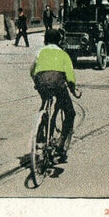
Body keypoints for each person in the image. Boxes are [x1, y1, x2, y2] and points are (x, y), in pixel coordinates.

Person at [30, 28, 81, 162]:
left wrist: (37, 83)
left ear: (45, 40)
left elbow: (32, 71)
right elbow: (70, 77)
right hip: (58, 83)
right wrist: (74, 90)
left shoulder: (40, 52)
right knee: (70, 113)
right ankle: (61, 142)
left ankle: (40, 140)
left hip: (42, 82)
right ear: (59, 40)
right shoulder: (63, 54)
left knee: (45, 106)